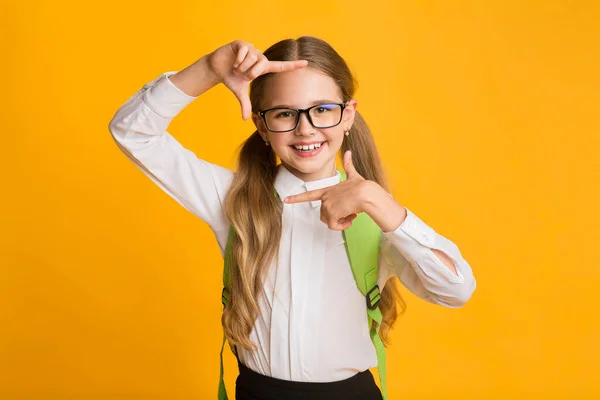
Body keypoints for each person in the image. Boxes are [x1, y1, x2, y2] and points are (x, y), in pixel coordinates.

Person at [108, 37, 476, 400]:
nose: (305, 128)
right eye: (284, 113)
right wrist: (207, 70)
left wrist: (382, 207)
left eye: (322, 109)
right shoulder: (231, 199)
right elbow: (133, 132)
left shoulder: (377, 218)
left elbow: (455, 289)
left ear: (348, 115)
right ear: (261, 126)